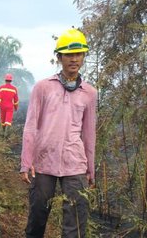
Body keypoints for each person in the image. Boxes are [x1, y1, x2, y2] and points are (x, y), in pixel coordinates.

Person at [19, 28, 97, 238]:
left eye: (78, 54)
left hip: (75, 163)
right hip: (44, 161)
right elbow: (30, 125)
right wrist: (27, 161)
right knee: (37, 216)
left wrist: (90, 168)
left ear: (83, 57)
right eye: (68, 55)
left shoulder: (89, 93)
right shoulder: (43, 88)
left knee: (75, 222)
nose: (74, 59)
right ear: (59, 57)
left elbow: (89, 133)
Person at [0, 73, 19, 137]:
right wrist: (16, 107)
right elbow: (16, 100)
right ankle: (7, 132)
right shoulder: (14, 89)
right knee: (8, 119)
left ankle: (4, 130)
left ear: (5, 80)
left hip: (3, 106)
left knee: (3, 119)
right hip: (10, 106)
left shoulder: (1, 88)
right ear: (11, 81)